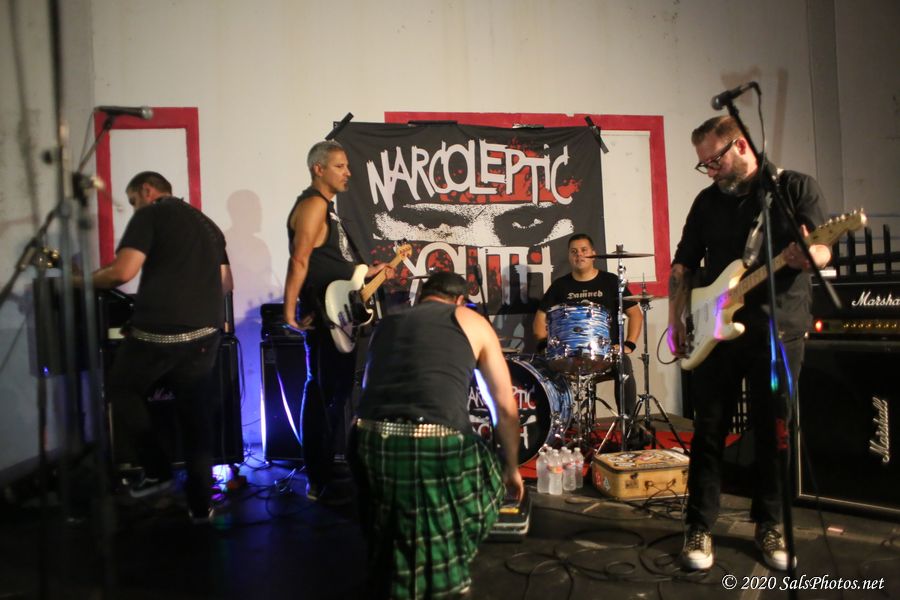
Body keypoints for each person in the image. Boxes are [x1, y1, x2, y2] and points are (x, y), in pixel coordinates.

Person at [667, 116, 832, 571]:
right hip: (716, 332)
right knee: (708, 431)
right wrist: (676, 317)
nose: (709, 171)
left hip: (778, 331)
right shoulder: (706, 202)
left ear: (740, 145)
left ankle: (771, 523)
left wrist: (809, 256)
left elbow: (823, 247)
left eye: (714, 161)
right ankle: (699, 526)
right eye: (703, 164)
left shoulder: (794, 188)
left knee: (773, 431)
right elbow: (683, 264)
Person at [349, 271, 524, 599]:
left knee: (391, 521)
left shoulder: (387, 324)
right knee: (488, 473)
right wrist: (511, 467)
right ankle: (443, 570)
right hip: (434, 441)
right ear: (460, 300)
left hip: (368, 441)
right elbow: (504, 406)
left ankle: (395, 578)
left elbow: (368, 388)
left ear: (422, 297)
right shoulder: (471, 320)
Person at [92, 171, 232, 523]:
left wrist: (81, 280)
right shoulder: (208, 225)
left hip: (161, 330)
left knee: (122, 388)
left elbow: (122, 272)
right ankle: (200, 505)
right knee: (195, 417)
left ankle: (157, 472)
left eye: (133, 201)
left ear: (147, 190)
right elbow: (225, 283)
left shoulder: (151, 214)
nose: (134, 208)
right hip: (206, 331)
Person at [283, 140, 394, 501]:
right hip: (324, 313)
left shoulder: (329, 211)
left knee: (336, 392)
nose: (348, 172)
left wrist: (367, 272)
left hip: (341, 314)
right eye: (340, 166)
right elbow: (300, 259)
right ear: (318, 169)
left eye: (347, 165)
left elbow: (333, 262)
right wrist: (289, 310)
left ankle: (326, 469)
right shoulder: (313, 205)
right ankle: (318, 475)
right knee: (323, 393)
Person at [533, 233, 644, 442]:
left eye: (584, 250)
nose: (579, 255)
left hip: (604, 353)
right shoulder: (560, 286)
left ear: (593, 253)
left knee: (624, 363)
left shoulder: (610, 281)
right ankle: (554, 428)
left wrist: (628, 344)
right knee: (544, 367)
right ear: (569, 256)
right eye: (574, 252)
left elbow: (635, 313)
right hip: (569, 355)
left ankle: (629, 427)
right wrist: (542, 344)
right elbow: (540, 318)